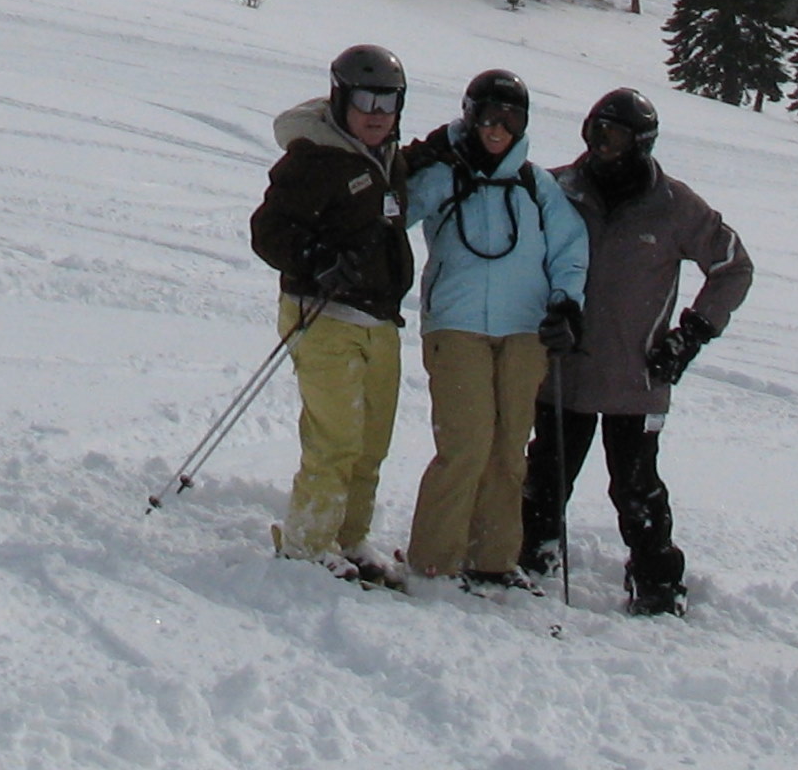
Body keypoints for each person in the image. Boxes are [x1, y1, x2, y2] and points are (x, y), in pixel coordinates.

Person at [518, 86, 753, 617]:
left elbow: (733, 267)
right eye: (595, 132)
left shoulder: (672, 206)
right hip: (564, 371)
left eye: (616, 137)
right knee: (546, 476)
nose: (602, 146)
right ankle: (533, 554)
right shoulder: (558, 189)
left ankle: (656, 578)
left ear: (641, 144)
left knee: (637, 487)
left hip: (637, 375)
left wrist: (691, 335)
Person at [399, 66, 589, 588]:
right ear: (470, 116)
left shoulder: (536, 185)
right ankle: (435, 559)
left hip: (525, 330)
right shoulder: (443, 176)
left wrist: (566, 304)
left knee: (508, 450)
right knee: (467, 443)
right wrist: (413, 161)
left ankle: (493, 560)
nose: (498, 128)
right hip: (456, 325)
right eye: (489, 116)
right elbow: (391, 213)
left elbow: (570, 249)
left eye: (511, 118)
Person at [247, 44, 417, 583]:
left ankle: (350, 537)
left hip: (379, 319)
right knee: (336, 439)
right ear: (341, 99)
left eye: (388, 102)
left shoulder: (389, 158)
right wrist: (318, 259)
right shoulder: (314, 159)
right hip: (323, 316)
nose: (377, 113)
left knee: (371, 444)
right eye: (366, 100)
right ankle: (308, 545)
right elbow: (268, 231)